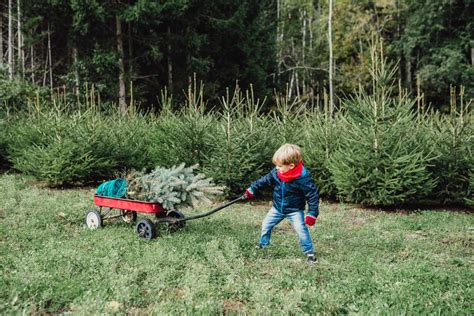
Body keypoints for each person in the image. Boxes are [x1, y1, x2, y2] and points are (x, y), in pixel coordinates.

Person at [244, 143, 319, 264]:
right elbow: (265, 180)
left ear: (291, 166)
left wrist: (312, 213)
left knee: (301, 229)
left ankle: (309, 252)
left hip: (294, 210)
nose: (277, 168)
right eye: (276, 166)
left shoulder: (302, 178)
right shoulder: (277, 172)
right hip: (277, 208)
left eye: (279, 166)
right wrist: (253, 188)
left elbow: (312, 195)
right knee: (266, 224)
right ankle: (263, 244)